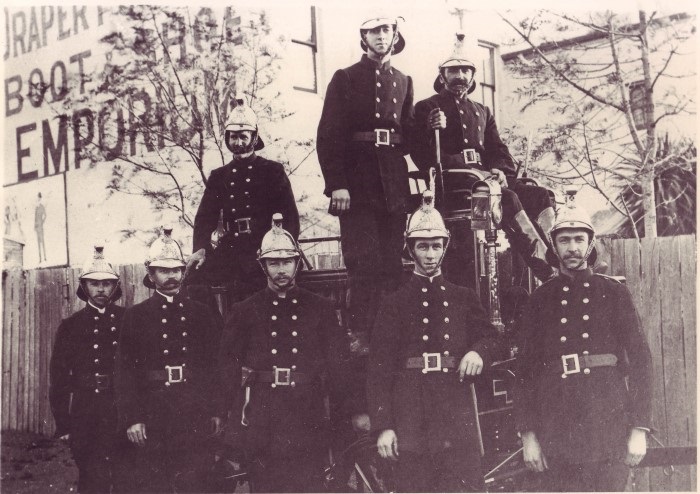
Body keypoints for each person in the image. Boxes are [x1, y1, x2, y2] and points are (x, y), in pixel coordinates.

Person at [512, 194, 652, 492]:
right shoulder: (540, 299)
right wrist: (528, 436)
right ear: (554, 244)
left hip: (607, 419)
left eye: (579, 239)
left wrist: (639, 429)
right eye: (564, 240)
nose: (572, 248)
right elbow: (525, 372)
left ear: (590, 244)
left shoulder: (614, 293)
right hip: (556, 423)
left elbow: (641, 361)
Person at [367, 188, 501, 492]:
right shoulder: (393, 303)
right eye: (423, 246)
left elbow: (493, 340)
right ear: (410, 249)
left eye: (436, 246)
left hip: (456, 413)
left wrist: (478, 353)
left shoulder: (463, 297)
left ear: (445, 248)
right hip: (410, 418)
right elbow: (378, 370)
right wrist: (384, 426)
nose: (430, 254)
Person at [316, 14, 414, 430]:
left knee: (393, 268)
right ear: (363, 37)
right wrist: (337, 184)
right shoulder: (345, 78)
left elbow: (407, 135)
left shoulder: (405, 81)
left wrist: (431, 129)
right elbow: (329, 134)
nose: (380, 37)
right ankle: (360, 334)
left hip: (392, 185)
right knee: (364, 262)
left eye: (385, 30)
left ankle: (390, 335)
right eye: (373, 31)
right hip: (355, 184)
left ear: (394, 36)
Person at [218, 214, 349, 492]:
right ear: (263, 266)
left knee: (309, 484)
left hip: (307, 411)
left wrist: (343, 411)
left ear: (297, 263)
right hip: (262, 415)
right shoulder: (245, 309)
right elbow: (227, 367)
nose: (281, 270)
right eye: (274, 263)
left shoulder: (320, 308)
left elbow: (338, 364)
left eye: (287, 262)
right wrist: (231, 417)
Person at [410, 33, 555, 285]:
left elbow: (498, 148)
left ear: (473, 76)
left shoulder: (482, 111)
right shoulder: (427, 107)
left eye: (466, 70)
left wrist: (499, 169)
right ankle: (546, 269)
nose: (460, 76)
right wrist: (433, 129)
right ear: (442, 75)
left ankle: (562, 258)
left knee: (541, 194)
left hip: (487, 181)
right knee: (506, 198)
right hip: (454, 186)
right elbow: (422, 156)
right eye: (453, 70)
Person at [114, 227, 223, 493]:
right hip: (154, 412)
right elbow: (125, 371)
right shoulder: (136, 316)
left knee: (197, 481)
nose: (172, 276)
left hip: (194, 409)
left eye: (176, 269)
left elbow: (216, 365)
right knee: (156, 483)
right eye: (164, 270)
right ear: (150, 275)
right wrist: (132, 418)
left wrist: (218, 410)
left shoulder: (202, 313)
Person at [186, 98, 299, 303]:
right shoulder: (219, 176)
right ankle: (215, 331)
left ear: (254, 138)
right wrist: (201, 248)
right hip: (231, 249)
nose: (238, 142)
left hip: (265, 247)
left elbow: (290, 215)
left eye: (243, 137)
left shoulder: (272, 171)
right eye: (233, 137)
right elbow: (204, 217)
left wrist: (281, 249)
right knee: (192, 280)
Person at [49, 244, 127, 493]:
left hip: (122, 410)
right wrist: (64, 424)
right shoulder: (71, 326)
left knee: (129, 476)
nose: (101, 289)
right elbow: (59, 378)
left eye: (106, 283)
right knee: (93, 480)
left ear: (114, 287)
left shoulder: (129, 319)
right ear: (84, 287)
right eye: (95, 284)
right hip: (87, 414)